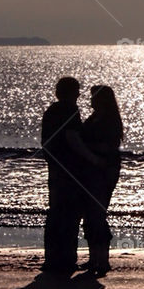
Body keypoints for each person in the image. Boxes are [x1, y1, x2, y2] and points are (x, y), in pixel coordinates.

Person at [39, 76, 103, 277]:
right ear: (74, 92)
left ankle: (52, 258)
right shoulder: (69, 110)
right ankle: (65, 259)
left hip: (56, 168)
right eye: (77, 91)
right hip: (69, 170)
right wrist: (92, 158)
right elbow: (72, 138)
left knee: (56, 212)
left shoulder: (51, 111)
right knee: (69, 214)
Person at [80, 84, 124, 277]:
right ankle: (94, 258)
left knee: (96, 213)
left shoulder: (109, 120)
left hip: (105, 170)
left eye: (93, 97)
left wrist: (85, 147)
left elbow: (109, 147)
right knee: (90, 213)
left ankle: (102, 259)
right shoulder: (95, 118)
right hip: (93, 170)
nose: (90, 100)